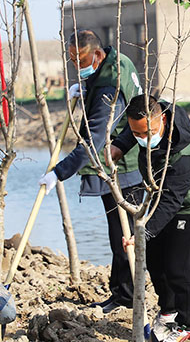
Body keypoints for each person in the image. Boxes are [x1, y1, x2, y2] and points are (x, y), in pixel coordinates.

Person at [38, 30, 144, 314]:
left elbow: (95, 139)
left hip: (124, 166)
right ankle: (122, 294)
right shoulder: (115, 60)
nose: (77, 66)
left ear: (97, 55)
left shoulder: (110, 88)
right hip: (119, 163)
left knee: (125, 236)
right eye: (73, 61)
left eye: (81, 60)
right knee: (117, 235)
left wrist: (59, 173)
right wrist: (88, 85)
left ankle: (130, 298)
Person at [110, 95, 190, 342]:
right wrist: (119, 146)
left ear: (163, 120)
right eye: (137, 133)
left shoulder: (185, 150)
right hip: (159, 192)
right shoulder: (145, 114)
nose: (143, 138)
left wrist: (142, 233)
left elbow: (172, 201)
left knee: (181, 267)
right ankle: (168, 312)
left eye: (148, 132)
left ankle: (186, 324)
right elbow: (130, 128)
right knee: (155, 259)